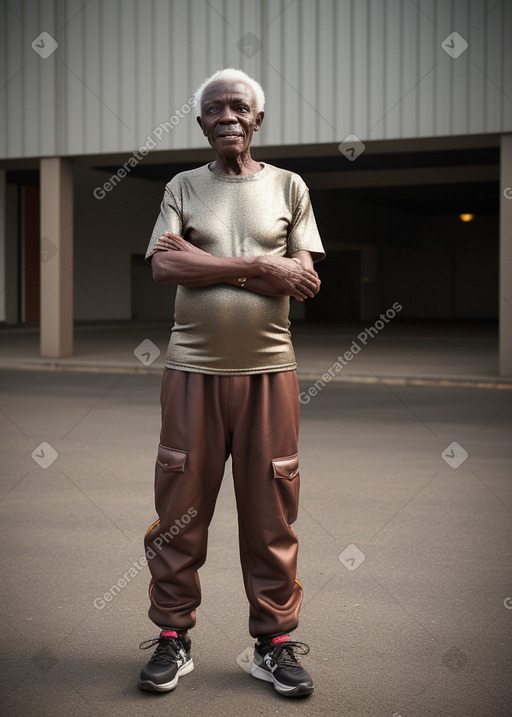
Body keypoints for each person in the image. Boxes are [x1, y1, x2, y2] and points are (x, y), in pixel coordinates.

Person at [138, 68, 325, 698]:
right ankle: (172, 637)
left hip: (271, 371)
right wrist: (255, 265)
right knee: (178, 510)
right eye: (214, 109)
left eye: (239, 108)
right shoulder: (182, 186)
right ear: (201, 123)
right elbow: (165, 265)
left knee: (271, 510)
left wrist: (208, 265)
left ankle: (272, 644)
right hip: (191, 372)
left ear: (258, 120)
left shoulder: (290, 187)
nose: (227, 117)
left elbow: (303, 278)